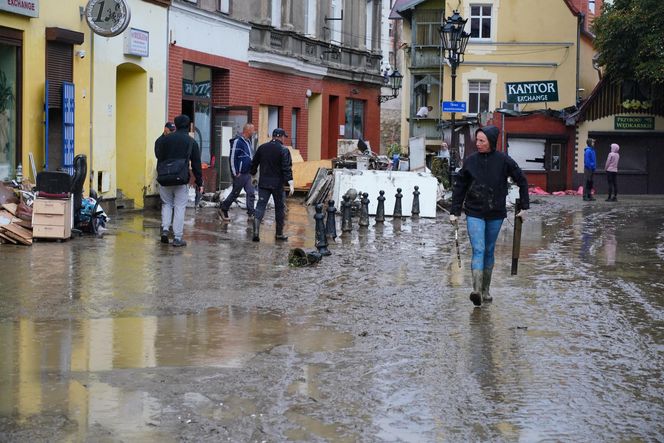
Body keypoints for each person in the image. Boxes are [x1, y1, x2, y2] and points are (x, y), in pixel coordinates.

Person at [449, 125, 529, 307]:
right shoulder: (470, 161)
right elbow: (459, 186)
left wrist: (524, 207)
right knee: (479, 248)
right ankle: (476, 291)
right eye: (476, 140)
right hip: (474, 212)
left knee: (489, 250)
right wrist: (455, 211)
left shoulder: (504, 161)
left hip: (496, 213)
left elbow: (522, 180)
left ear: (491, 142)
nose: (477, 144)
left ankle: (486, 290)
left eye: (481, 141)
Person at [155, 114, 203, 247]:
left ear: (175, 125)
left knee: (167, 204)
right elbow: (196, 164)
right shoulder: (191, 142)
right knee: (179, 207)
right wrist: (199, 182)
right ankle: (177, 237)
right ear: (188, 126)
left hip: (164, 178)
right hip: (181, 179)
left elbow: (158, 154)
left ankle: (165, 230)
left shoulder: (164, 140)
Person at [250, 128, 294, 242]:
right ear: (280, 137)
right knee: (279, 208)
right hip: (277, 185)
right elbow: (286, 167)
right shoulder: (283, 150)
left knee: (260, 206)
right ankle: (279, 234)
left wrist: (253, 175)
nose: (284, 138)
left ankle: (255, 231)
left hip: (263, 183)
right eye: (284, 136)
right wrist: (290, 182)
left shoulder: (262, 148)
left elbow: (254, 163)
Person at [219, 123, 256, 221]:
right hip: (240, 173)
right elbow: (232, 158)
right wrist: (235, 172)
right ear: (247, 130)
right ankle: (223, 208)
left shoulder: (248, 141)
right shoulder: (237, 141)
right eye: (253, 130)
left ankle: (251, 213)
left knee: (251, 192)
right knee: (235, 193)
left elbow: (249, 157)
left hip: (247, 173)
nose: (254, 132)